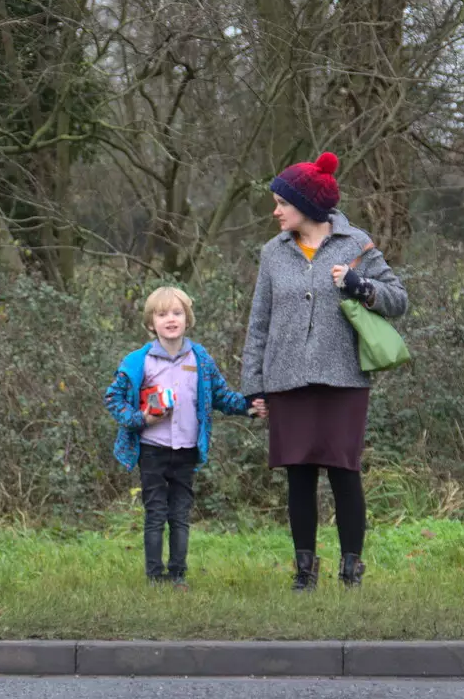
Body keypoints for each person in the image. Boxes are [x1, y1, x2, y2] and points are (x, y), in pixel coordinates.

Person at [239, 152, 408, 591]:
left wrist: (360, 286)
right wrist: (252, 387)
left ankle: (351, 571)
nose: (275, 211)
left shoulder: (357, 245)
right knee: (298, 475)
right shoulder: (272, 254)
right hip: (286, 379)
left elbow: (398, 301)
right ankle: (304, 572)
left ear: (308, 206)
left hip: (345, 379)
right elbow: (259, 322)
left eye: (282, 203)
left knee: (343, 473)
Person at [105, 286, 252, 589]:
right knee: (156, 513)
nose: (170, 319)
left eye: (177, 313)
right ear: (150, 323)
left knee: (180, 515)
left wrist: (249, 407)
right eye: (162, 314)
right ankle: (154, 576)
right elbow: (113, 398)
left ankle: (178, 574)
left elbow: (221, 396)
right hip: (152, 449)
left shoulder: (200, 359)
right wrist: (140, 419)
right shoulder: (138, 361)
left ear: (187, 318)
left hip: (186, 449)